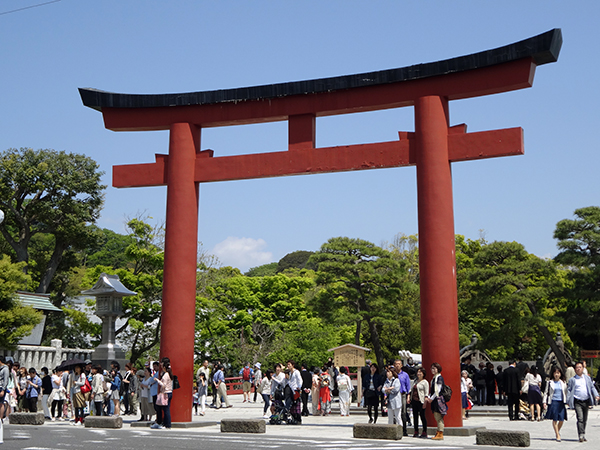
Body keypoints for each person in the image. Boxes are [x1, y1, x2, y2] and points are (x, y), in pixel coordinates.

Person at [567, 361, 600, 442]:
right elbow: (569, 390)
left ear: (583, 368)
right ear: (575, 369)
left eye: (580, 367)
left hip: (586, 401)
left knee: (585, 419)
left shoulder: (587, 378)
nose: (578, 369)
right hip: (577, 401)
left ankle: (583, 433)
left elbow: (592, 387)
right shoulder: (572, 380)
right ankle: (581, 434)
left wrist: (596, 395)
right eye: (577, 367)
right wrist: (568, 400)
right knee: (580, 418)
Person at [543, 366, 567, 442]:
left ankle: (557, 431)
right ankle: (557, 434)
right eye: (555, 373)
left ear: (560, 374)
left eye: (558, 373)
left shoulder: (563, 382)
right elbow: (546, 393)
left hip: (561, 402)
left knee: (562, 419)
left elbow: (566, 392)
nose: (556, 374)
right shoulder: (550, 382)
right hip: (553, 401)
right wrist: (544, 402)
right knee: (555, 419)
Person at [425, 362, 446, 440]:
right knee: (436, 416)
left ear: (438, 369)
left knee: (439, 417)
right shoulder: (434, 378)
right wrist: (430, 397)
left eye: (434, 368)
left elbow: (438, 390)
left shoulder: (439, 378)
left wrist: (431, 398)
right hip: (434, 399)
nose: (432, 370)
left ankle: (440, 433)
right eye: (431, 368)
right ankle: (438, 432)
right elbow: (432, 390)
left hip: (438, 399)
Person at [152, 358, 173, 429]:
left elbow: (163, 385)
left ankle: (166, 424)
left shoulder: (166, 375)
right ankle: (164, 423)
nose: (160, 364)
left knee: (165, 409)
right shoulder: (169, 374)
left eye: (161, 363)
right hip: (169, 392)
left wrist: (158, 380)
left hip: (165, 393)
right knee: (165, 409)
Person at [408, 367, 428, 438]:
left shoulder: (425, 382)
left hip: (421, 401)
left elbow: (426, 393)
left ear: (423, 374)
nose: (418, 373)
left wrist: (425, 402)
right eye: (418, 372)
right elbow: (411, 390)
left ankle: (424, 431)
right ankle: (416, 431)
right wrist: (409, 397)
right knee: (415, 417)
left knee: (422, 416)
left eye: (420, 372)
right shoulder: (415, 381)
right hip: (414, 400)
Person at [394, 360, 411, 436]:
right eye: (396, 364)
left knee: (403, 412)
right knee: (395, 412)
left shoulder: (405, 375)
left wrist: (408, 396)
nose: (397, 365)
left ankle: (404, 430)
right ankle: (394, 428)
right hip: (394, 395)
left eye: (399, 364)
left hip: (402, 394)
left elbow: (408, 386)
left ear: (401, 365)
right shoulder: (392, 374)